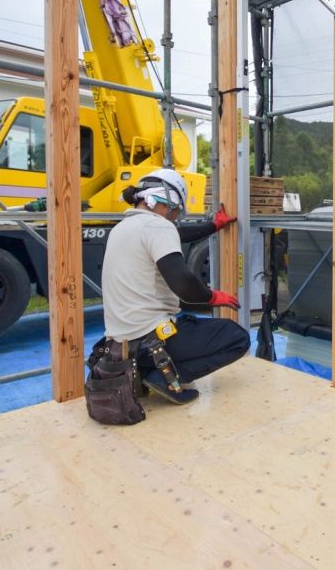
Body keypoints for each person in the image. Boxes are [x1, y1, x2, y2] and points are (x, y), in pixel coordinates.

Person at [101, 168, 250, 405]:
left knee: (188, 325)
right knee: (237, 337)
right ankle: (165, 377)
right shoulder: (159, 227)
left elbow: (178, 233)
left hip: (123, 347)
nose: (176, 217)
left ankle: (145, 373)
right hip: (151, 341)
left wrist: (213, 226)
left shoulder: (123, 228)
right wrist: (212, 297)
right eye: (177, 210)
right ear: (166, 201)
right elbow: (183, 283)